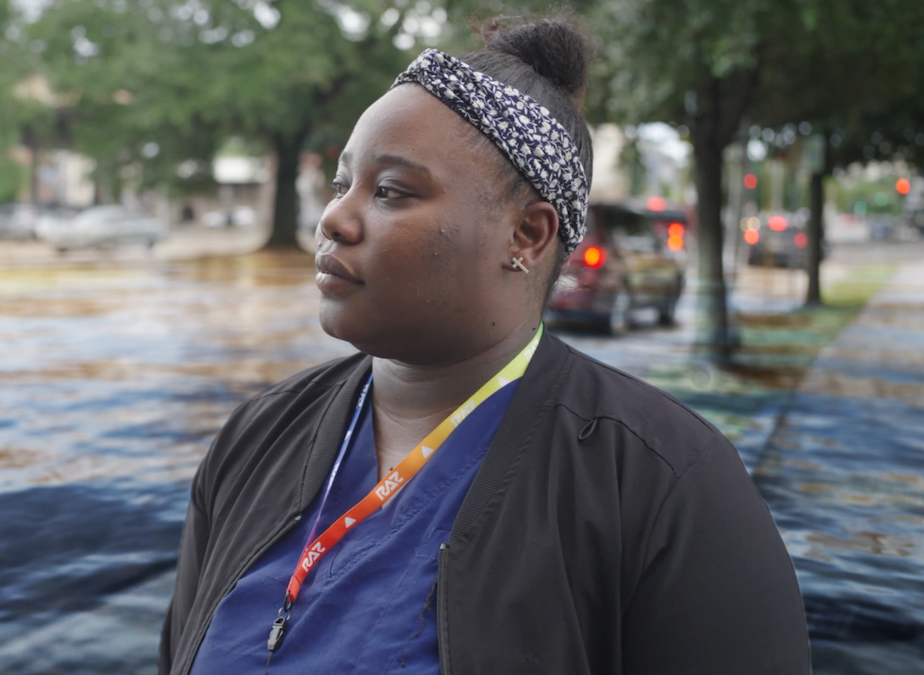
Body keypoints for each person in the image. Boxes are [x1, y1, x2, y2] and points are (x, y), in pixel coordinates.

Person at [160, 16, 810, 675]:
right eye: (341, 183)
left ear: (527, 235)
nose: (334, 218)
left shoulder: (666, 486)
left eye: (389, 190)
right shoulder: (256, 438)